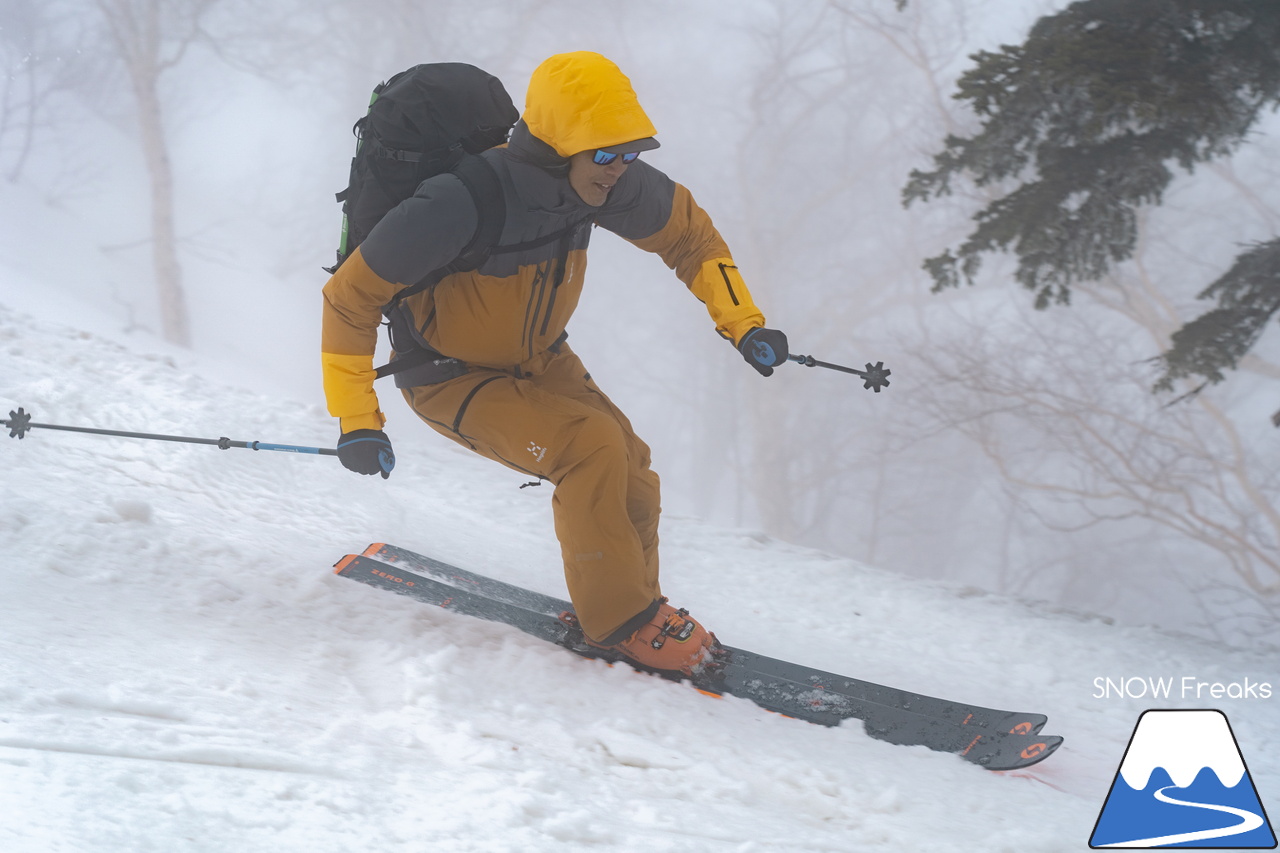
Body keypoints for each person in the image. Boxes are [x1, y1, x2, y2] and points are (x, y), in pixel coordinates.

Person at [321, 51, 788, 676]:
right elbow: (348, 298)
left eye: (629, 154)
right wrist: (358, 420)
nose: (620, 169)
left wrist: (743, 321)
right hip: (448, 374)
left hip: (538, 358)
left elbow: (689, 236)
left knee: (630, 460)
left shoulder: (600, 181)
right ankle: (619, 624)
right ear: (558, 147)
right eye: (604, 154)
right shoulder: (458, 201)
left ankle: (640, 608)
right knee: (591, 447)